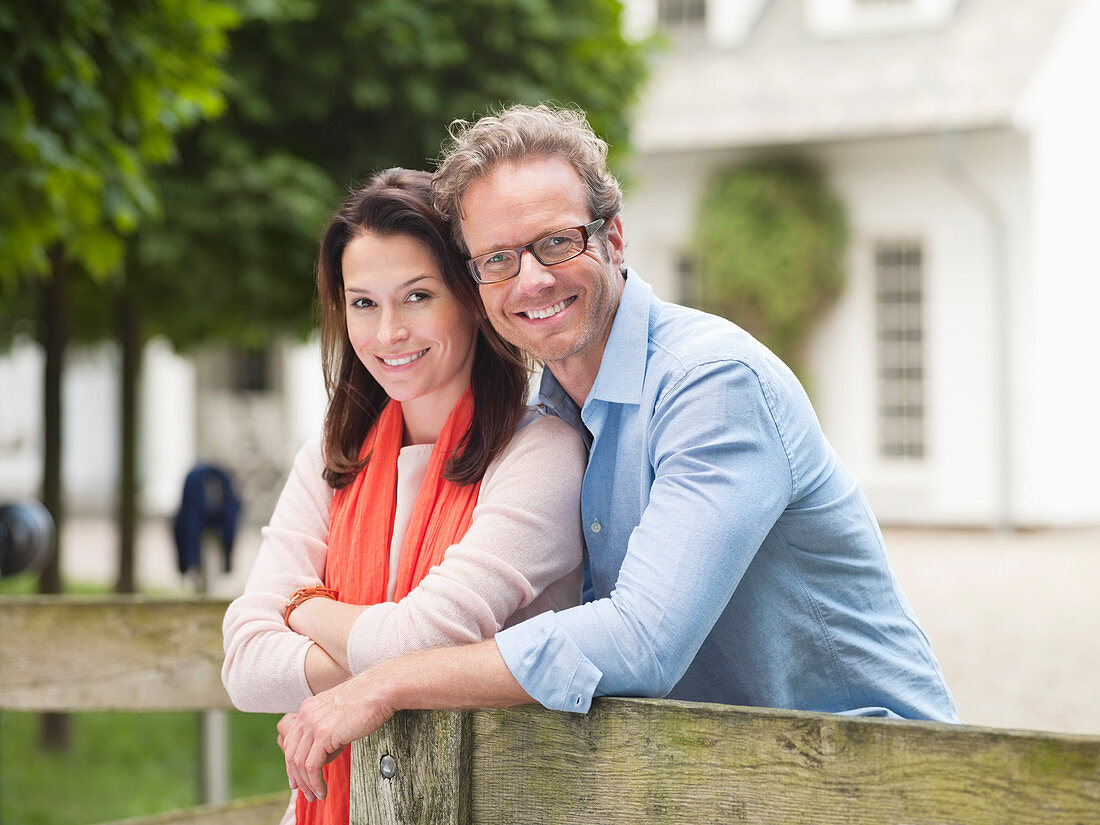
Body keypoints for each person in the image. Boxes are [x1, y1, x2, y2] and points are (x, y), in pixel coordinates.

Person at [277, 105, 957, 801]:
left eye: (556, 243)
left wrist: (388, 676)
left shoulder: (712, 385)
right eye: (499, 259)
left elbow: (643, 640)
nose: (531, 280)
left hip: (871, 779)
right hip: (730, 781)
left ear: (615, 237)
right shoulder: (551, 420)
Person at [221, 168, 586, 820]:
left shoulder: (540, 456)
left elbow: (415, 642)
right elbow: (245, 664)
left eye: (417, 296)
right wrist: (402, 669)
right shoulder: (333, 459)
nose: (388, 331)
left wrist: (304, 606)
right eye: (363, 302)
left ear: (472, 298)